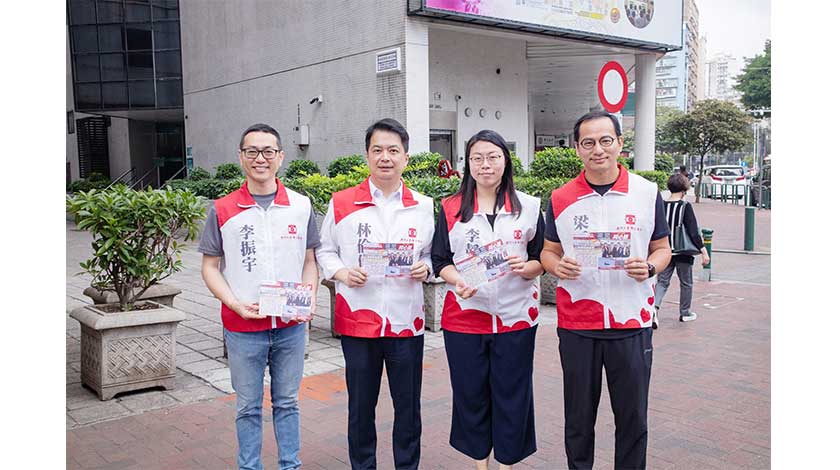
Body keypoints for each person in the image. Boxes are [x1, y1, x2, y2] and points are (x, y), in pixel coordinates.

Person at [540, 110, 671, 469]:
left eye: (605, 140)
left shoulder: (646, 193)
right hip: (577, 325)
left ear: (620, 144)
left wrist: (649, 267)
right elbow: (548, 251)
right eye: (588, 143)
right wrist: (556, 266)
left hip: (631, 322)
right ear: (577, 149)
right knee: (578, 419)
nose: (597, 149)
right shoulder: (561, 197)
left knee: (633, 418)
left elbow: (663, 248)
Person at [198, 123, 320, 470]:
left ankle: (290, 465)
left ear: (281, 157)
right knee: (248, 407)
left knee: (288, 403)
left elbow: (310, 262)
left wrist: (309, 297)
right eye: (252, 151)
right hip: (242, 327)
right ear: (241, 157)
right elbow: (209, 267)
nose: (260, 158)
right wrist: (234, 303)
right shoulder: (223, 209)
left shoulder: (300, 206)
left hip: (290, 326)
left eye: (268, 151)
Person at [316, 118, 434, 470]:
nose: (385, 157)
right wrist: (341, 272)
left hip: (405, 322)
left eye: (393, 150)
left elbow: (433, 254)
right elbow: (324, 250)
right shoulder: (342, 203)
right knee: (360, 408)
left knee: (408, 408)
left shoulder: (423, 205)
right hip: (358, 320)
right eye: (378, 150)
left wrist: (426, 268)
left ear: (406, 157)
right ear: (367, 155)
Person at [431, 130, 545, 470]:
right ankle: (480, 464)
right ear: (467, 163)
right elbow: (440, 260)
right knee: (471, 394)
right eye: (477, 158)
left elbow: (542, 258)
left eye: (493, 157)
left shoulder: (529, 206)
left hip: (516, 318)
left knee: (513, 394)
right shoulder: (451, 207)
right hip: (465, 318)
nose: (485, 165)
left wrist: (527, 268)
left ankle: (507, 464)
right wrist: (458, 280)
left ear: (505, 161)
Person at [652, 173, 711, 326]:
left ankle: (654, 309)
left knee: (662, 282)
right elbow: (693, 231)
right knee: (686, 283)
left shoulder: (662, 205)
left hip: (665, 251)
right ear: (685, 188)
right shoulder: (685, 206)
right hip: (684, 251)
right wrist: (703, 251)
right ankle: (685, 313)